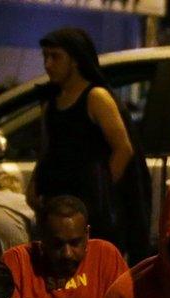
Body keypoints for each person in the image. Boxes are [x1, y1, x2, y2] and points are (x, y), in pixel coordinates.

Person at [33, 27, 151, 262]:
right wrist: (34, 186)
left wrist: (101, 193)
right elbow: (48, 150)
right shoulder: (52, 102)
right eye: (45, 56)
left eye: (55, 57)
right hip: (58, 207)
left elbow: (123, 149)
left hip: (91, 214)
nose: (48, 64)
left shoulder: (95, 97)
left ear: (75, 60)